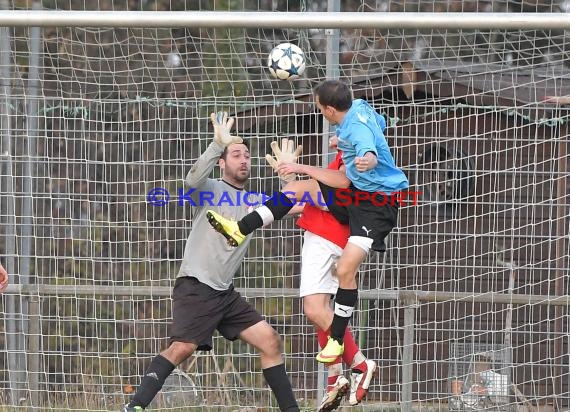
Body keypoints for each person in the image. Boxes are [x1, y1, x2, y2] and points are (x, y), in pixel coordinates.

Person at [206, 79, 409, 366]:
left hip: (377, 205)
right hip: (355, 194)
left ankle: (338, 341)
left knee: (345, 269)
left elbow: (359, 160)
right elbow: (376, 125)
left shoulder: (355, 129)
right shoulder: (360, 109)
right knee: (296, 190)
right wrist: (343, 143)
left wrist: (367, 158)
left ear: (328, 109)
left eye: (318, 107)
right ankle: (239, 229)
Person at [122, 112, 300, 412]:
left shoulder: (255, 201)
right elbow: (191, 180)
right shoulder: (211, 189)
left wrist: (288, 177)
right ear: (222, 162)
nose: (243, 159)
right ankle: (135, 406)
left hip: (224, 293)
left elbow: (295, 204)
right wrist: (216, 145)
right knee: (183, 348)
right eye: (235, 154)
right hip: (196, 286)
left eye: (247, 155)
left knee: (270, 340)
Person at [287, 136, 376, 410]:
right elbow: (314, 199)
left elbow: (336, 190)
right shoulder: (349, 150)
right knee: (323, 309)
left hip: (327, 236)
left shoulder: (357, 149)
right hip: (328, 234)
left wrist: (296, 171)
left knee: (314, 309)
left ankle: (361, 365)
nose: (334, 136)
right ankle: (335, 378)